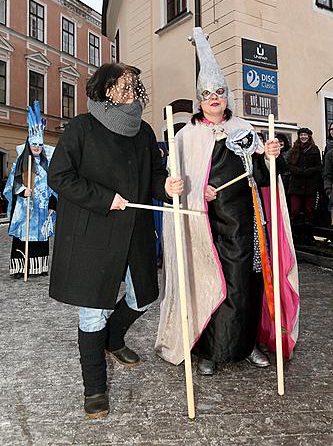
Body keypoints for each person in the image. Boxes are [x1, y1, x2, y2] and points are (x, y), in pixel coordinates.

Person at [155, 27, 299, 376]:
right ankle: (211, 350)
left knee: (246, 285)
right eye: (206, 93)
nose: (213, 97)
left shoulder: (244, 130)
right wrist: (190, 189)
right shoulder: (188, 136)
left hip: (245, 221)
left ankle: (247, 345)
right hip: (205, 224)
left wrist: (269, 156)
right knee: (210, 283)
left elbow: (263, 179)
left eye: (219, 91)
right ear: (200, 100)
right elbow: (175, 182)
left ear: (227, 96)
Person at [47, 63, 183, 419]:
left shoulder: (143, 131)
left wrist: (165, 187)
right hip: (93, 235)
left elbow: (154, 175)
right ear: (104, 88)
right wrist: (104, 198)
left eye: (132, 85)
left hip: (134, 233)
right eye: (121, 85)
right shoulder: (81, 127)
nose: (128, 90)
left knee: (143, 297)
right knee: (93, 313)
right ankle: (94, 389)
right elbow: (59, 177)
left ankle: (114, 337)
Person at [3, 101, 56, 279]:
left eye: (39, 145)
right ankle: (20, 267)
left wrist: (53, 205)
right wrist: (22, 190)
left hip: (41, 210)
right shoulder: (21, 163)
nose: (36, 148)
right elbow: (11, 184)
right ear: (28, 144)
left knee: (40, 238)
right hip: (25, 208)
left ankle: (37, 267)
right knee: (22, 237)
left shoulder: (47, 165)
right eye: (34, 144)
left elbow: (54, 187)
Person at [287, 127, 321, 244]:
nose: (303, 137)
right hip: (296, 185)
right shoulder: (294, 149)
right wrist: (298, 171)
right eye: (301, 135)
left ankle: (308, 235)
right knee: (295, 210)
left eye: (305, 135)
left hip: (310, 185)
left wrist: (307, 172)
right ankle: (295, 234)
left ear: (309, 136)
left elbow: (318, 166)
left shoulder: (315, 149)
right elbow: (290, 165)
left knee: (309, 210)